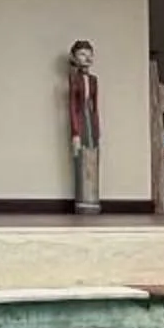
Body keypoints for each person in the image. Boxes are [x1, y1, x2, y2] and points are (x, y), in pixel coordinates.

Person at [67, 39, 102, 214]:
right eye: (82, 54)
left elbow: (96, 106)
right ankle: (83, 200)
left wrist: (97, 127)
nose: (86, 58)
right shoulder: (74, 79)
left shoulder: (94, 80)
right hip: (81, 120)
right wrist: (75, 132)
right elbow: (72, 106)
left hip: (91, 121)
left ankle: (93, 199)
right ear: (74, 57)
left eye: (89, 54)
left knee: (93, 153)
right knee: (81, 156)